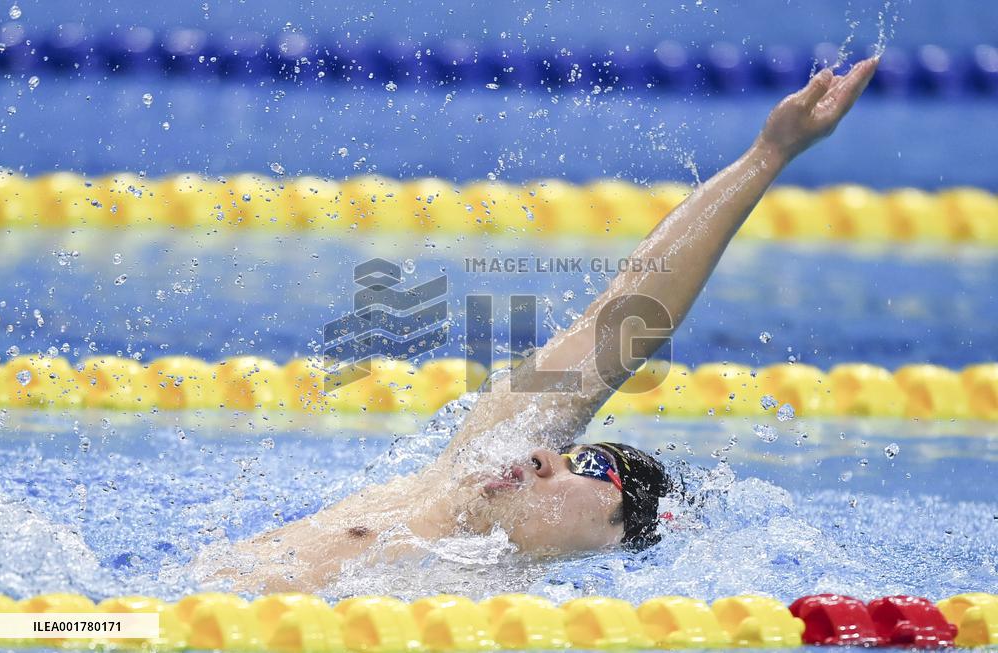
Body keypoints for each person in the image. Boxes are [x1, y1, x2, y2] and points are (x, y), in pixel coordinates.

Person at [200, 57, 879, 592]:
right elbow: (622, 319)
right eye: (573, 452)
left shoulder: (486, 604)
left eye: (589, 466)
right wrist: (768, 153)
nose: (543, 455)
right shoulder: (453, 484)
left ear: (615, 537)